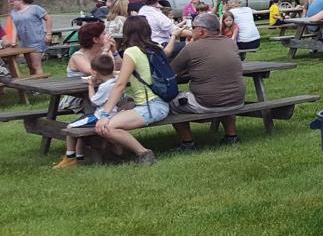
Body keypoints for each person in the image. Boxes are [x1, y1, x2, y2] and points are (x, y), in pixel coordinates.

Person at [95, 16, 171, 165]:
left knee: (107, 126)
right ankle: (119, 152)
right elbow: (127, 68)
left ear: (127, 32)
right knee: (107, 125)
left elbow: (120, 84)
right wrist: (115, 53)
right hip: (161, 102)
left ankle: (143, 153)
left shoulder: (132, 51)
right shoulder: (156, 48)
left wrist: (105, 114)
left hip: (150, 106)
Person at [168, 13, 245, 149]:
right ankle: (231, 136)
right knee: (221, 89)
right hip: (237, 100)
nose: (191, 31)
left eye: (193, 28)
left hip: (208, 103)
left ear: (201, 31)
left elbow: (171, 72)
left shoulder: (192, 48)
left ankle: (187, 143)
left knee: (171, 102)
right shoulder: (230, 43)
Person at [55, 54, 120, 168]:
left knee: (70, 128)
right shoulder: (115, 81)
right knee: (80, 128)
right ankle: (79, 157)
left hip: (100, 117)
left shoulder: (105, 87)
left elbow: (94, 101)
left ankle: (69, 157)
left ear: (94, 73)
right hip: (115, 114)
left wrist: (91, 85)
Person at [4, 0, 50, 76]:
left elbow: (48, 19)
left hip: (36, 40)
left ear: (20, 0)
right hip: (24, 43)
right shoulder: (13, 13)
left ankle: (41, 86)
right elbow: (14, 28)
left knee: (36, 65)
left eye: (12, 1)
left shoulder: (35, 8)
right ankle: (33, 86)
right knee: (30, 66)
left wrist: (48, 33)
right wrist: (13, 42)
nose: (11, 3)